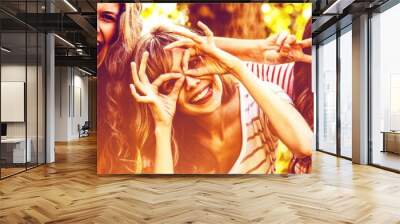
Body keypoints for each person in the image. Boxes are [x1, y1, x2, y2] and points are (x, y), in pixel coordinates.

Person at [129, 22, 312, 174]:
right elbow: (163, 206)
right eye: (172, 82)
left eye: (193, 64)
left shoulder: (257, 101)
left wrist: (236, 67)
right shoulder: (166, 138)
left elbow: (305, 146)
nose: (191, 83)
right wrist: (162, 126)